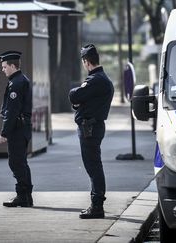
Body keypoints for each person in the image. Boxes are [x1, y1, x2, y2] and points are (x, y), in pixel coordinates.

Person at [69, 44, 114, 219]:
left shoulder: (96, 80)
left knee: (93, 166)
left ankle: (97, 206)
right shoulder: (101, 80)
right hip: (93, 126)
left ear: (86, 62)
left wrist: (77, 94)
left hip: (90, 128)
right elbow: (79, 101)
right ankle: (96, 204)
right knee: (93, 165)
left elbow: (74, 96)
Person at [0, 51, 33, 207]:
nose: (3, 69)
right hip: (22, 127)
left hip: (17, 129)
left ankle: (22, 196)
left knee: (16, 162)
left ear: (13, 66)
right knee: (21, 162)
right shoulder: (20, 80)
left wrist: (4, 132)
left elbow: (12, 111)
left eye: (5, 66)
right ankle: (26, 196)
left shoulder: (16, 83)